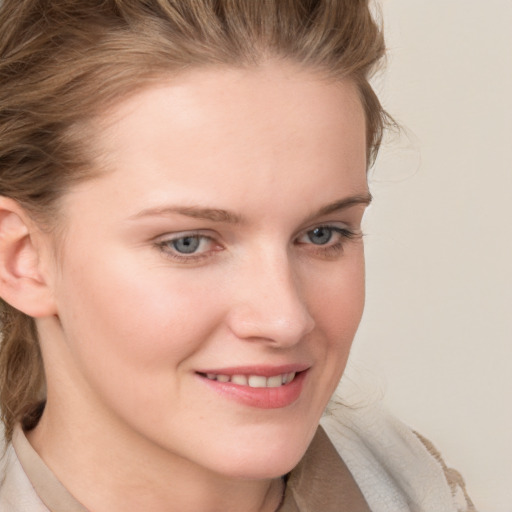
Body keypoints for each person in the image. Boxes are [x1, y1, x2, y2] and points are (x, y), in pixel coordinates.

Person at [0, 1, 476, 511]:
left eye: (321, 234)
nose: (285, 319)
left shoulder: (415, 484)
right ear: (23, 259)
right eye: (189, 242)